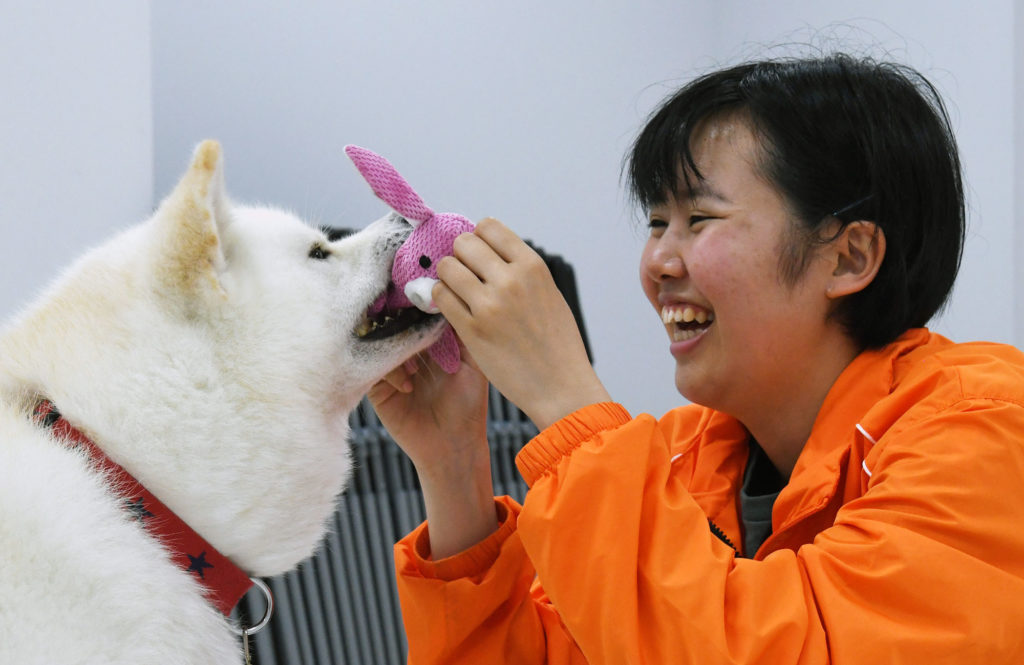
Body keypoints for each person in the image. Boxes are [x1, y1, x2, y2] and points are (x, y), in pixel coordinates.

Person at [368, 53, 1024, 664]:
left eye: (699, 219)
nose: (658, 263)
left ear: (848, 256)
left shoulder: (984, 425)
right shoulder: (680, 456)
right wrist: (453, 460)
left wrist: (564, 396)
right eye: (656, 223)